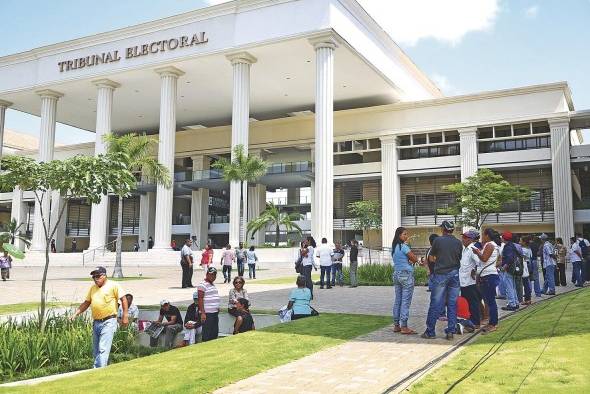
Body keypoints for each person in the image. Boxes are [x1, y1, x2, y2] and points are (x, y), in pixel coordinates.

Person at [71, 266, 128, 368]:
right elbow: (87, 302)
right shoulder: (93, 288)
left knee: (103, 348)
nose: (95, 279)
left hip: (109, 321)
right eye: (94, 277)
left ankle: (97, 370)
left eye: (97, 276)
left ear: (104, 276)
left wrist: (125, 316)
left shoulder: (113, 285)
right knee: (96, 350)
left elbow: (123, 299)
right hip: (96, 322)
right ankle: (102, 369)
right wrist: (76, 313)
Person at [422, 220, 462, 340]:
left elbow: (432, 257)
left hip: (441, 275)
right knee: (452, 304)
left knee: (435, 303)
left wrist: (440, 261)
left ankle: (430, 332)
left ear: (443, 229)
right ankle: (450, 331)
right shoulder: (458, 242)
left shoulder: (438, 240)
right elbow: (459, 257)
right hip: (455, 274)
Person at [472, 228, 501, 334]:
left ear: (487, 235)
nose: (482, 237)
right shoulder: (494, 245)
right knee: (489, 301)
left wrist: (477, 252)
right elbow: (497, 260)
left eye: (483, 235)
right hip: (489, 275)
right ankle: (492, 322)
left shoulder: (490, 245)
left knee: (490, 302)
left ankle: (493, 323)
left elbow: (484, 258)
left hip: (488, 276)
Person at [391, 227, 419, 335]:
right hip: (406, 275)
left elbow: (401, 260)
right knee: (405, 302)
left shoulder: (394, 248)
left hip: (397, 274)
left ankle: (396, 325)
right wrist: (412, 260)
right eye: (404, 234)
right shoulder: (404, 247)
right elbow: (414, 259)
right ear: (399, 235)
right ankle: (404, 327)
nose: (406, 236)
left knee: (398, 300)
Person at [459, 230, 481, 329]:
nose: (463, 239)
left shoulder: (473, 249)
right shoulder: (464, 249)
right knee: (466, 302)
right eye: (463, 237)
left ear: (470, 239)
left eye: (465, 238)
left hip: (470, 281)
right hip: (463, 281)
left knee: (473, 302)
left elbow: (480, 262)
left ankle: (476, 322)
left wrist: (474, 270)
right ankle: (469, 321)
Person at [198, 267, 220, 342]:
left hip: (214, 313)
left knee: (214, 333)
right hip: (207, 314)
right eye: (211, 275)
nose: (213, 276)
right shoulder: (202, 284)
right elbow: (200, 299)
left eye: (214, 275)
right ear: (207, 274)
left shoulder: (212, 285)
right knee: (207, 334)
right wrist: (203, 313)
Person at [500, 231, 521, 311]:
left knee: (509, 287)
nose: (501, 238)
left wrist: (505, 266)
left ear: (504, 238)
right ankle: (515, 303)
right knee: (512, 286)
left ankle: (512, 304)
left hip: (509, 269)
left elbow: (509, 258)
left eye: (502, 237)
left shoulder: (508, 247)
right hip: (513, 269)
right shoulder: (512, 245)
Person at [520, 237, 533, 305]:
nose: (519, 242)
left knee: (525, 283)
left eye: (521, 241)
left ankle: (527, 299)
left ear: (524, 242)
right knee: (527, 283)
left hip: (525, 265)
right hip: (528, 265)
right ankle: (528, 298)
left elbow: (523, 257)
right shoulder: (529, 249)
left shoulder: (523, 249)